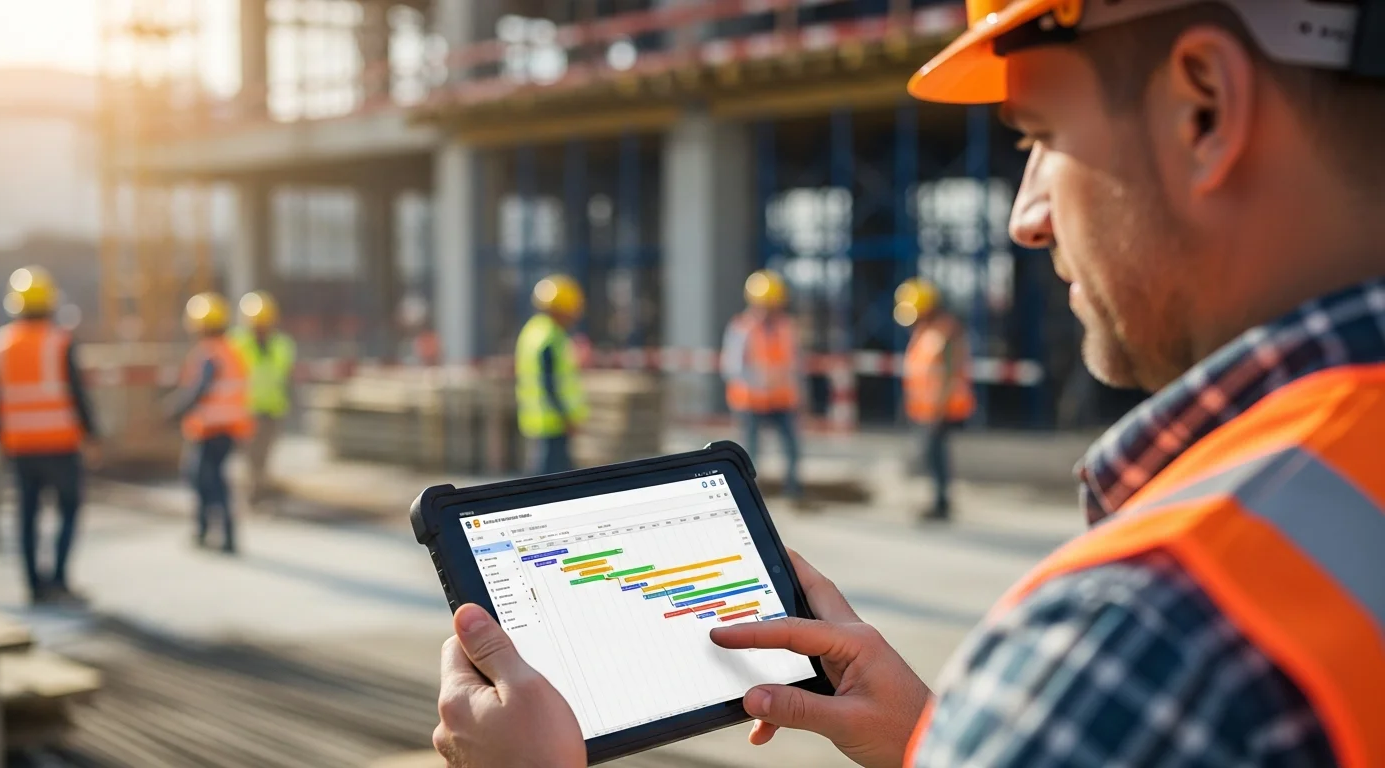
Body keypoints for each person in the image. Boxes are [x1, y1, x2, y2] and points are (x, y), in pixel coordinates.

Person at [432, 1, 1385, 765]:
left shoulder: (1145, 634)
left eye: (1040, 135)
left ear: (1203, 109)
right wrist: (935, 743)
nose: (1024, 216)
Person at [0, 268, 100, 604]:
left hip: (20, 446)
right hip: (60, 443)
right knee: (68, 509)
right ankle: (58, 580)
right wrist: (91, 435)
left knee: (27, 516)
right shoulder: (59, 341)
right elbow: (77, 394)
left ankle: (34, 587)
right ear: (50, 302)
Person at [170, 293, 254, 554]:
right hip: (228, 428)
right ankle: (217, 532)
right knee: (213, 479)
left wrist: (173, 411)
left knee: (205, 480)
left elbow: (199, 390)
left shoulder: (209, 354)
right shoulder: (231, 349)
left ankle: (212, 531)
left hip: (210, 430)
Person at [894, 278, 975, 521]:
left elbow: (950, 373)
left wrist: (939, 410)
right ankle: (938, 500)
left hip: (940, 409)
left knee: (936, 455)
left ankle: (941, 502)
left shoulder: (945, 333)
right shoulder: (925, 332)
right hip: (925, 410)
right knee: (932, 455)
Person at [721, 270, 802, 499]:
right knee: (751, 452)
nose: (770, 310)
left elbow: (794, 364)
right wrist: (758, 381)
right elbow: (732, 366)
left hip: (782, 400)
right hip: (751, 401)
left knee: (792, 448)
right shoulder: (742, 328)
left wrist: (800, 394)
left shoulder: (786, 327)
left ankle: (793, 490)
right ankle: (750, 493)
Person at [516, 275, 588, 476]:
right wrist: (566, 416)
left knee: (549, 476)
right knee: (551, 479)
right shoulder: (549, 337)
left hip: (541, 420)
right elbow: (549, 383)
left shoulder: (534, 331)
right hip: (553, 421)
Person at [229, 291, 295, 509]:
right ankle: (253, 495)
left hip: (272, 409)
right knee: (251, 457)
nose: (260, 327)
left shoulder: (282, 345)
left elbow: (285, 377)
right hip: (247, 411)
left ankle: (257, 494)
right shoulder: (237, 344)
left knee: (263, 456)